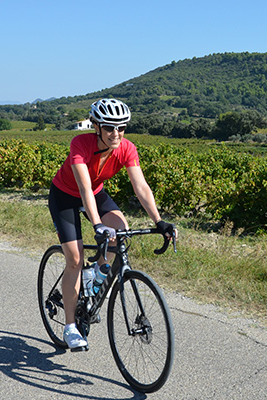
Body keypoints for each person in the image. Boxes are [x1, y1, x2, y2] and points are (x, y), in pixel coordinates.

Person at [48, 98, 175, 350]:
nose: (116, 133)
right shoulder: (80, 144)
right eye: (109, 127)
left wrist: (159, 221)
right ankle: (70, 327)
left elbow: (141, 187)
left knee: (121, 232)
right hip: (65, 196)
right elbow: (83, 187)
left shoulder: (127, 148)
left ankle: (95, 279)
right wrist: (96, 224)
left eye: (121, 128)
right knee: (75, 258)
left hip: (96, 193)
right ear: (96, 127)